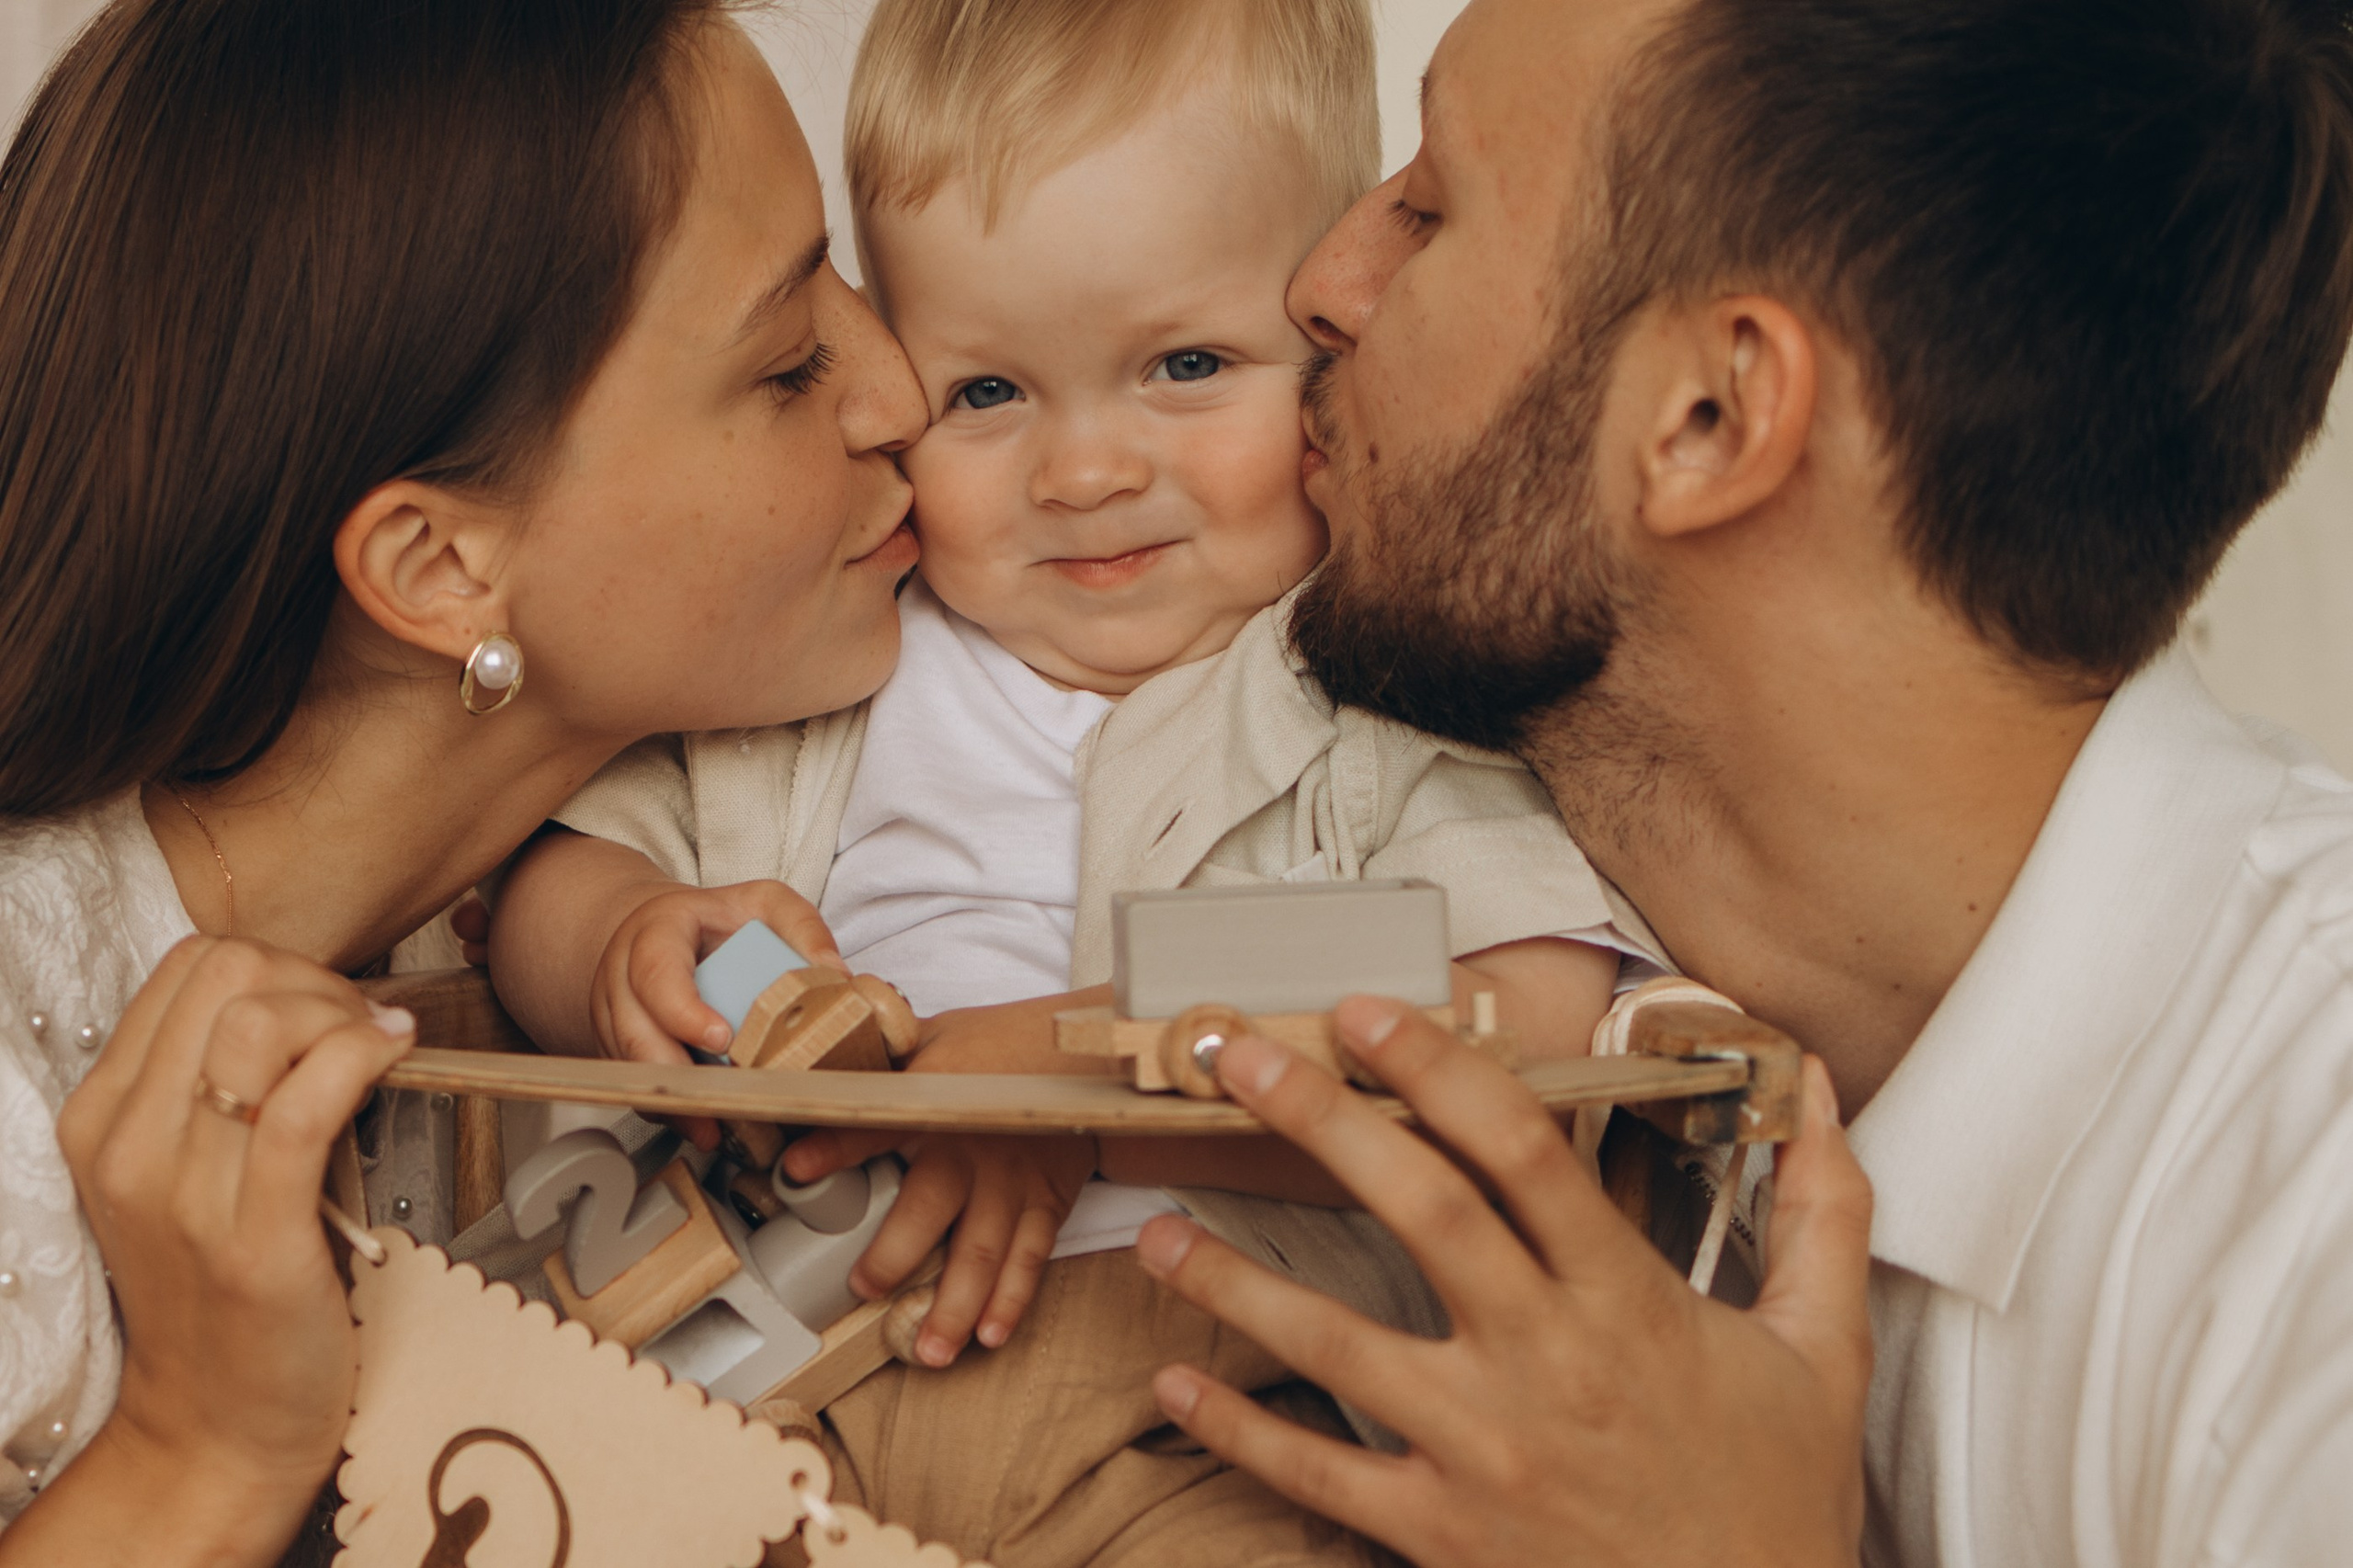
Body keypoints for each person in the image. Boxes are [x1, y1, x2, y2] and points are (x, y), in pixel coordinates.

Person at [1113, 0, 2353, 1564]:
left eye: (1429, 206)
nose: (1324, 285)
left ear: (1711, 420)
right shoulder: (1478, 881)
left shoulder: (2314, 1205)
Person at [488, 2, 1659, 1562]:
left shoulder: (1369, 686)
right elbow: (558, 874)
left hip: (1206, 1379)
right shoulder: (846, 665)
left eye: (1185, 363)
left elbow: (1530, 1003)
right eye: (987, 393)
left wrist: (1077, 1085)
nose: (1085, 471)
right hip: (782, 1367)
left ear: (1327, 343)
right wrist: (630, 937)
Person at [0, 1, 928, 1562]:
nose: (899, 389)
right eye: (785, 363)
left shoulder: (663, 861)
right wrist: (198, 1451)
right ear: (439, 566)